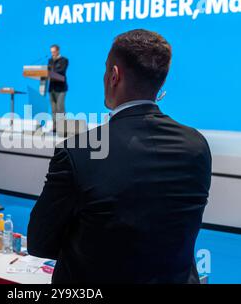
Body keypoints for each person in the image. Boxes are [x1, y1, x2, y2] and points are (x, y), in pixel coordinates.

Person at [28, 29, 212, 284]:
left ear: (114, 76)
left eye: (105, 70)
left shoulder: (79, 150)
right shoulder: (197, 146)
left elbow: (40, 242)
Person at [48, 45, 69, 132]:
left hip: (61, 88)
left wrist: (50, 72)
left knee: (60, 108)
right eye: (51, 52)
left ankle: (63, 127)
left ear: (58, 51)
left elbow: (61, 71)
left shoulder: (64, 60)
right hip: (51, 88)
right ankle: (55, 127)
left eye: (53, 52)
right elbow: (47, 72)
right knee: (53, 109)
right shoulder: (50, 61)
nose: (52, 54)